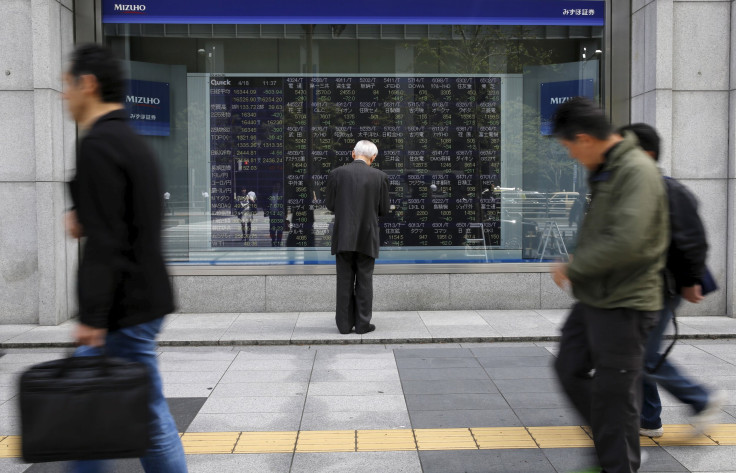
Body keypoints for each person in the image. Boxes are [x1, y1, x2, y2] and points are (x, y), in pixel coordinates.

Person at [63, 44, 187, 473]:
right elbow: (130, 218)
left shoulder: (99, 144)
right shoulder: (133, 141)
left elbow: (108, 241)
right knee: (101, 412)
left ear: (88, 85)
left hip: (123, 306)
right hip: (141, 298)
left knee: (144, 417)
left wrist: (92, 318)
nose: (65, 96)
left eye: (67, 86)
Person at [550, 97, 668, 473]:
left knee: (614, 398)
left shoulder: (635, 170)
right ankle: (613, 441)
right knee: (569, 368)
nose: (570, 156)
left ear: (584, 139)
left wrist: (576, 267)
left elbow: (627, 240)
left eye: (568, 147)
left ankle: (616, 452)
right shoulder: (606, 169)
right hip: (595, 300)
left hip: (625, 304)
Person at [619, 123, 725, 438]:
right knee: (637, 352)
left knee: (644, 355)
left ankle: (701, 398)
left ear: (647, 154)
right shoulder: (637, 188)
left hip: (662, 287)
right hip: (642, 286)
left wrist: (691, 280)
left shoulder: (666, 188)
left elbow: (693, 238)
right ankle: (648, 419)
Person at [326, 140, 389, 334]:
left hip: (343, 235)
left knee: (344, 280)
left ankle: (344, 325)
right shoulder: (380, 177)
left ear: (353, 153)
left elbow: (330, 205)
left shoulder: (336, 174)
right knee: (364, 280)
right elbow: (384, 210)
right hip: (367, 236)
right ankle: (363, 324)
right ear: (373, 157)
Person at [265, 181, 285, 247]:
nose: (277, 187)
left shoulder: (282, 194)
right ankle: (273, 241)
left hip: (280, 214)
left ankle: (278, 242)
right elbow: (266, 204)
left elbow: (284, 204)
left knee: (280, 229)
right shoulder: (270, 194)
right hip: (272, 214)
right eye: (276, 185)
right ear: (273, 186)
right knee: (272, 229)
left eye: (279, 186)